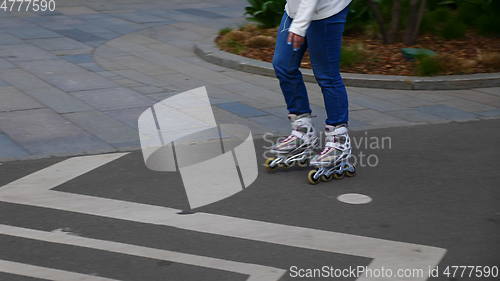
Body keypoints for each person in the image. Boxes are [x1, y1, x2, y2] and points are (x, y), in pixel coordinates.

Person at [267, 0, 355, 183]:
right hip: (295, 10)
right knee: (283, 65)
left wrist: (299, 26)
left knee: (326, 75)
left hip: (327, 10)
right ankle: (303, 130)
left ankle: (339, 141)